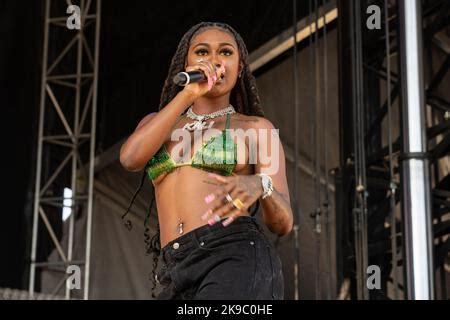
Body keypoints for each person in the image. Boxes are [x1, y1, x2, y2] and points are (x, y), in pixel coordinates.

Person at [119, 21, 293, 300]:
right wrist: (188, 94)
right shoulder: (158, 124)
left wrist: (262, 185)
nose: (213, 60)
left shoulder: (256, 128)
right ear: (186, 64)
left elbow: (283, 223)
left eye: (225, 53)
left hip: (234, 256)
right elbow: (130, 158)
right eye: (202, 52)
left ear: (240, 68)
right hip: (175, 266)